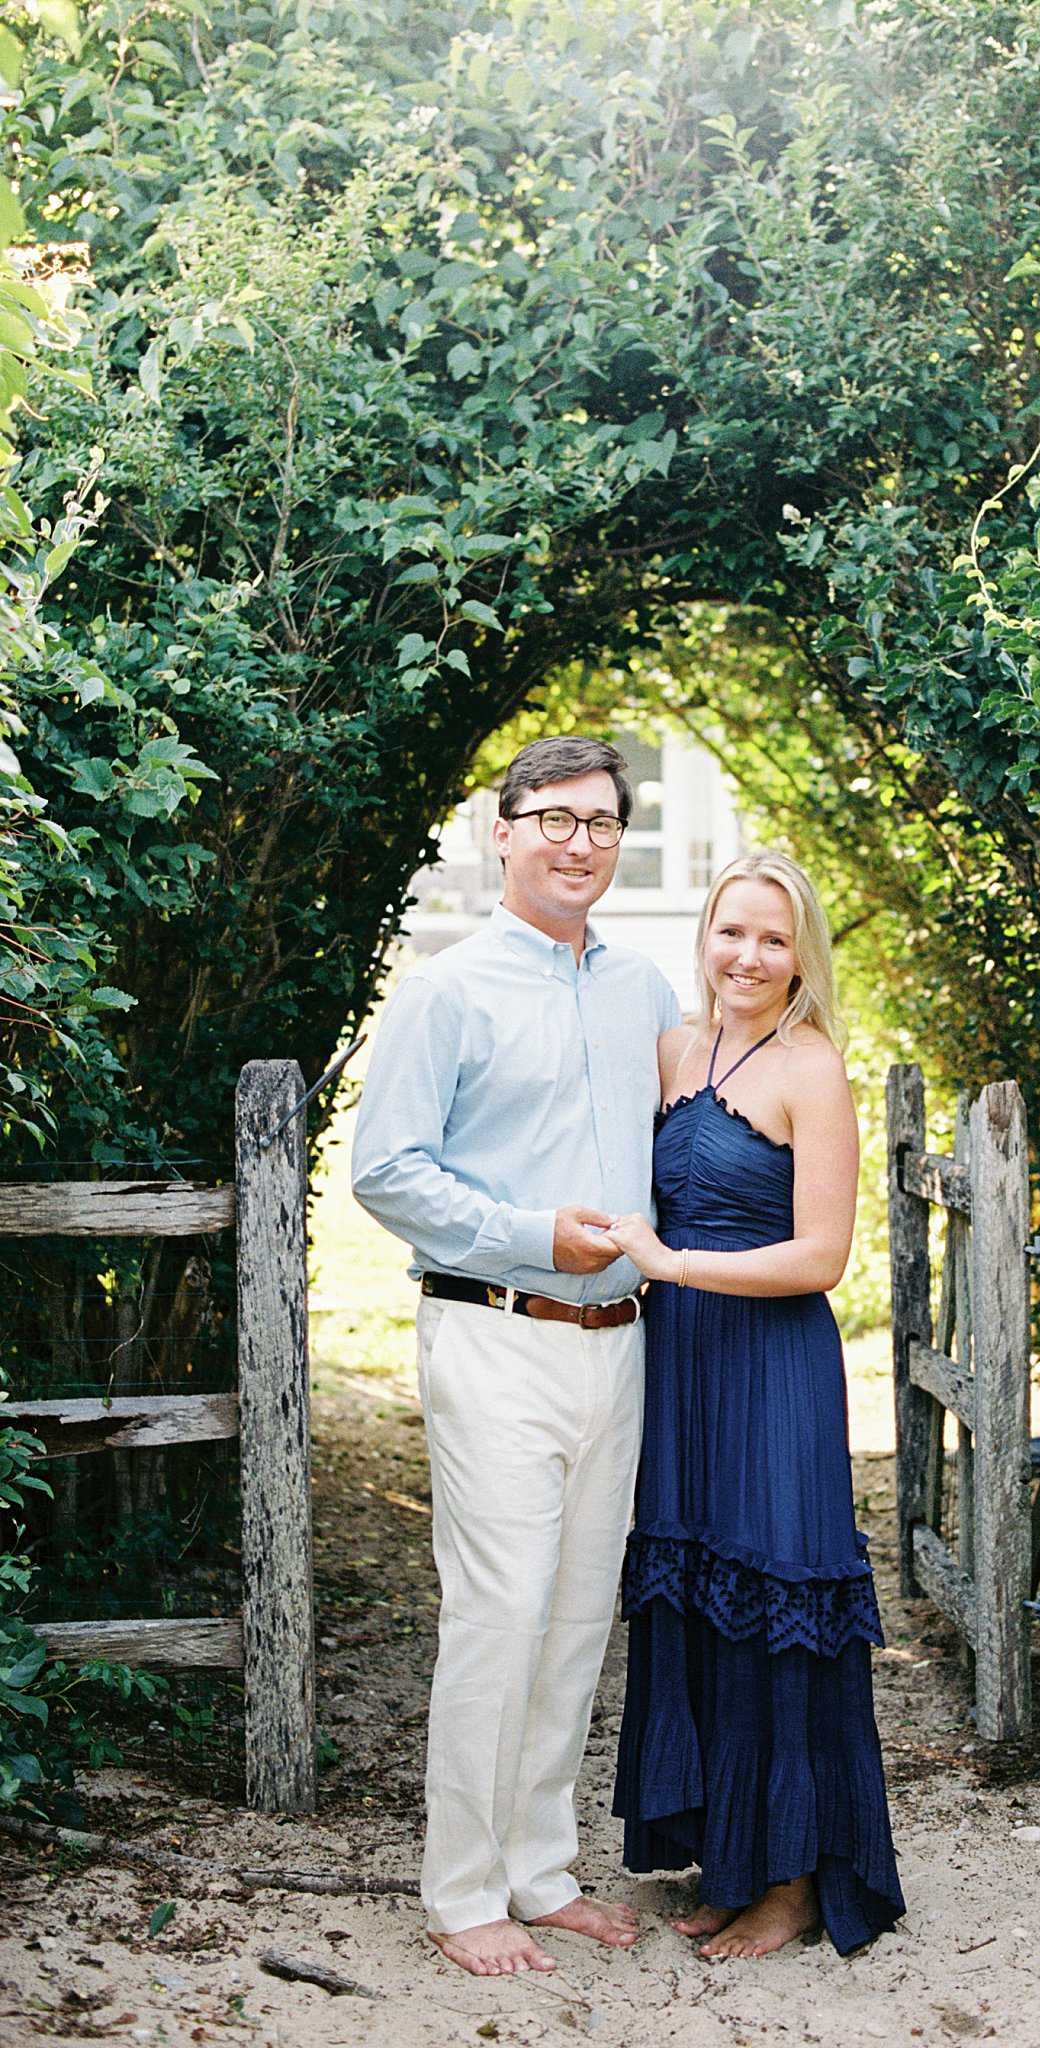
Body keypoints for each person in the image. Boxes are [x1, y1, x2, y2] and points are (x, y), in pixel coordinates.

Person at [351, 735, 679, 1978]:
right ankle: (461, 1886)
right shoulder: (447, 988)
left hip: (618, 1342)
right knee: (496, 1612)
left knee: (579, 1613)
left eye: (599, 821)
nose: (578, 840)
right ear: (502, 831)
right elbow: (384, 1167)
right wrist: (528, 1231)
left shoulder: (640, 989)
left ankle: (539, 1866)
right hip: (492, 1330)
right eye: (553, 817)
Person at [604, 849, 906, 1959]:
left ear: (801, 955)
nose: (748, 954)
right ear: (705, 935)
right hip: (678, 1364)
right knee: (695, 1591)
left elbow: (822, 1255)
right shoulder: (677, 1047)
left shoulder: (810, 1066)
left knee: (774, 1597)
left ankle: (792, 1881)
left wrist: (668, 1263)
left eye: (773, 938)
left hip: (770, 1364)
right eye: (732, 931)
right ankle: (729, 1857)